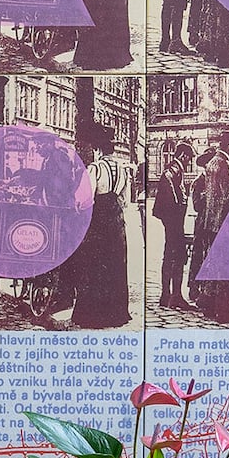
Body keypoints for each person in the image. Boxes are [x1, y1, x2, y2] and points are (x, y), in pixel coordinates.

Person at [65, 115, 132, 329]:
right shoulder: (123, 169)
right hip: (116, 221)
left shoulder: (95, 168)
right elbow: (125, 200)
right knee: (115, 265)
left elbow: (84, 198)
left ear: (98, 149)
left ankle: (92, 315)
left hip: (98, 220)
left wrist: (76, 208)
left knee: (92, 265)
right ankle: (115, 313)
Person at [189, 133, 229, 322]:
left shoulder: (213, 163)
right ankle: (223, 312)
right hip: (224, 222)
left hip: (213, 222)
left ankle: (208, 305)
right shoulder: (224, 164)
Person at [152, 141, 194, 311]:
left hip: (174, 221)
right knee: (174, 256)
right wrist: (177, 209)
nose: (189, 161)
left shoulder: (176, 169)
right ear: (183, 156)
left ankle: (170, 295)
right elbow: (170, 190)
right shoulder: (173, 169)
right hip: (174, 222)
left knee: (172, 256)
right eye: (188, 158)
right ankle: (171, 296)